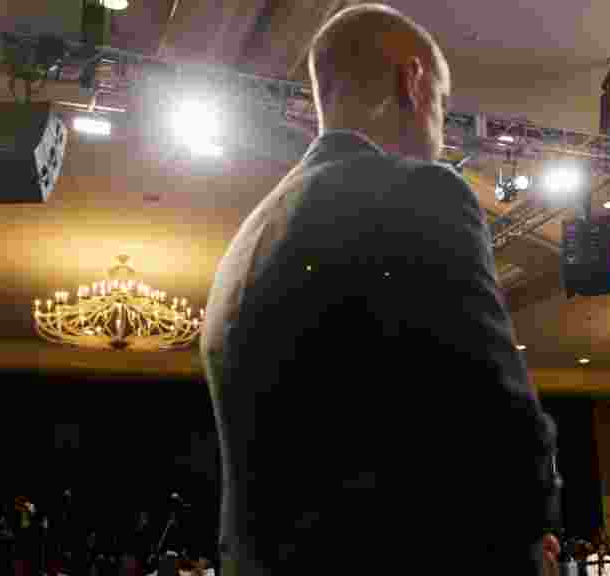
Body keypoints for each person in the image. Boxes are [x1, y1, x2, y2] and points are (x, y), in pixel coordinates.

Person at [200, 4, 557, 575]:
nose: (440, 129)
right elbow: (494, 412)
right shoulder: (418, 189)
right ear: (412, 82)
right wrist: (529, 537)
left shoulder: (246, 239)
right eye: (442, 105)